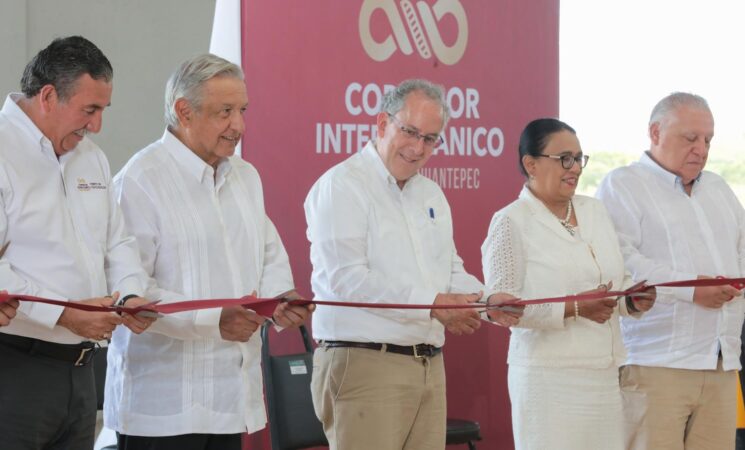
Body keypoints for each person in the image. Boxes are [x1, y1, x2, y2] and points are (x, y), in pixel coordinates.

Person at [105, 53, 314, 450]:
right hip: (162, 409)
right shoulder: (140, 180)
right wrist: (212, 320)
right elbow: (129, 291)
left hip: (230, 399)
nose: (239, 125)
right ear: (184, 111)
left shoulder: (246, 177)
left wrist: (282, 301)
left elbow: (267, 256)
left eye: (243, 110)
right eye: (225, 112)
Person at [304, 78, 520, 450]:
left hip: (428, 366)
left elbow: (449, 270)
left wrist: (487, 304)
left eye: (431, 138)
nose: (418, 148)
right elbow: (347, 280)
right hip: (365, 363)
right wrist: (434, 305)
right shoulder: (343, 185)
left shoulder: (429, 192)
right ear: (382, 124)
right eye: (410, 132)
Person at [0, 36, 154, 450]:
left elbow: (117, 240)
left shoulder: (93, 158)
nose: (97, 125)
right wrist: (63, 315)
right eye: (90, 110)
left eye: (102, 110)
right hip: (15, 367)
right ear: (48, 96)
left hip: (83, 369)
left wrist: (132, 293)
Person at [481, 118, 655, 450]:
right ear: (530, 164)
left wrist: (631, 299)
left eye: (578, 158)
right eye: (564, 159)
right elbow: (505, 308)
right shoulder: (511, 221)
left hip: (604, 375)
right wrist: (574, 308)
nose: (574, 168)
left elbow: (614, 281)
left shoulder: (595, 210)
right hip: (548, 378)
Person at [597, 92, 745, 450]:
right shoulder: (623, 185)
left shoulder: (720, 189)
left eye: (708, 139)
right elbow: (621, 259)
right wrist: (691, 289)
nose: (701, 149)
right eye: (690, 138)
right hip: (656, 364)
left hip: (721, 361)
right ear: (655, 132)